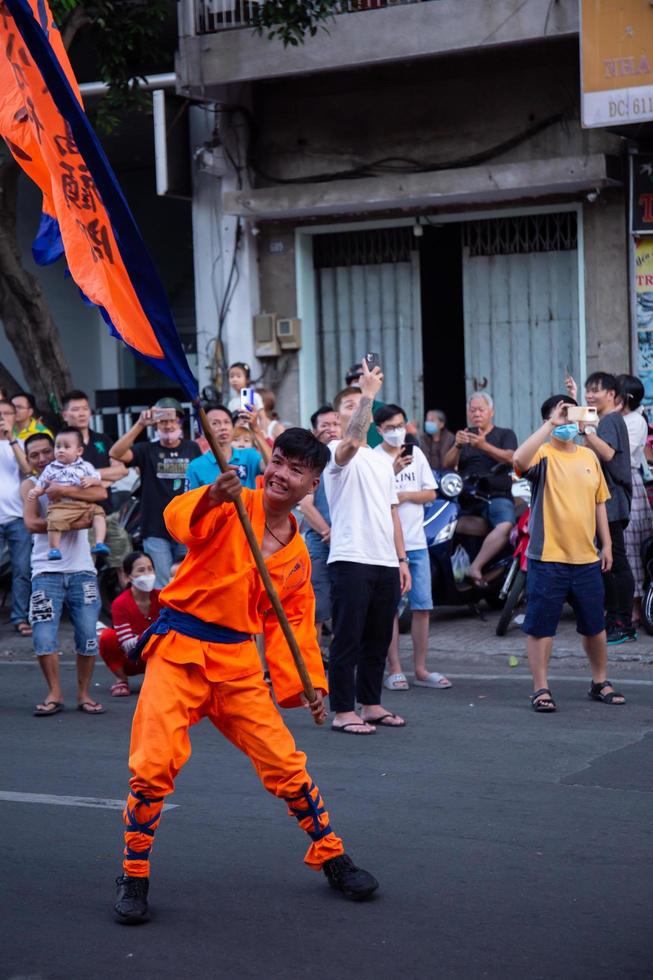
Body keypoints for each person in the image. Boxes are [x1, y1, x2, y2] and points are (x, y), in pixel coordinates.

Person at [112, 429, 379, 924]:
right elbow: (180, 522)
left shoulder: (297, 557)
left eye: (296, 470)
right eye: (278, 461)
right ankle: (134, 873)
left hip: (237, 666)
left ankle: (331, 855)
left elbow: (293, 623)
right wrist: (213, 495)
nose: (281, 473)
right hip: (179, 653)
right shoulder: (234, 502)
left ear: (311, 485)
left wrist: (309, 686)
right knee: (152, 765)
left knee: (286, 763)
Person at [513, 394, 624, 712]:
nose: (565, 421)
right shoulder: (542, 455)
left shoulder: (589, 457)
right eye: (558, 415)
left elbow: (600, 502)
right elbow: (518, 462)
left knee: (595, 625)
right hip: (547, 558)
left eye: (569, 414)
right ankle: (540, 688)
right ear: (548, 420)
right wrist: (551, 424)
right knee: (540, 626)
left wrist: (606, 544)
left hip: (586, 559)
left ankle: (600, 681)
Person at [324, 366, 411, 735]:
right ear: (338, 415)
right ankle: (343, 710)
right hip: (350, 557)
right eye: (349, 404)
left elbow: (392, 511)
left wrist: (402, 559)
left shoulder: (380, 460)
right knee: (348, 636)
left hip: (385, 560)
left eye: (360, 404)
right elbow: (351, 441)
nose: (357, 407)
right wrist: (368, 394)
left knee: (378, 636)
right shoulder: (334, 451)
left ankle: (370, 703)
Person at [21, 432, 107, 716]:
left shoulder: (79, 473)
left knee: (87, 635)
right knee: (43, 636)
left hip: (83, 570)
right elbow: (32, 524)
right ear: (29, 461)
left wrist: (63, 491)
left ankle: (84, 694)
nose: (43, 458)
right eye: (35, 455)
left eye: (47, 451)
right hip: (45, 571)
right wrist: (73, 522)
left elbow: (101, 494)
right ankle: (54, 692)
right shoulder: (31, 484)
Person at [374, 404, 451, 691]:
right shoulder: (374, 458)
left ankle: (420, 668)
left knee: (422, 606)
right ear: (379, 429)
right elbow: (373, 498)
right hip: (387, 545)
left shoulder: (415, 453)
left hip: (417, 542)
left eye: (400, 425)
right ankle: (394, 668)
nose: (397, 432)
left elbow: (431, 492)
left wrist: (405, 494)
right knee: (390, 608)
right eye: (390, 427)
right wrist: (391, 478)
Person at [109, 398, 201, 588]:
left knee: (188, 581)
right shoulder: (146, 449)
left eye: (172, 420)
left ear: (180, 422)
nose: (168, 425)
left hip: (186, 526)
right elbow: (116, 453)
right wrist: (140, 424)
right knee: (161, 585)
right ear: (155, 424)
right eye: (162, 420)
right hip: (155, 528)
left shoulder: (192, 448)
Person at [578, 372, 634, 644]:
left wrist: (586, 432)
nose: (590, 395)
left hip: (611, 501)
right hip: (609, 500)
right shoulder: (608, 419)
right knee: (612, 562)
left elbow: (609, 454)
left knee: (616, 563)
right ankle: (618, 619)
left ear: (611, 395)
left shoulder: (611, 420)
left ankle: (621, 622)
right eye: (588, 390)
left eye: (595, 391)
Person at [443, 392, 517, 586]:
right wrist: (457, 446)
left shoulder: (504, 434)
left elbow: (512, 458)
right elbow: (447, 465)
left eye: (481, 410)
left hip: (497, 495)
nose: (476, 413)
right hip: (468, 497)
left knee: (505, 526)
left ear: (491, 412)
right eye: (472, 410)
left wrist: (484, 446)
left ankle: (476, 567)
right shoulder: (465, 436)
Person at [27, 426, 109, 561]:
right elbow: (41, 484)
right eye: (58, 447)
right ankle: (54, 549)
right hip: (61, 507)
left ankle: (99, 542)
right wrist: (35, 491)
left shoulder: (86, 466)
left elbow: (100, 485)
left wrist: (91, 480)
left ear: (79, 451)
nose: (61, 450)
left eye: (66, 447)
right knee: (54, 520)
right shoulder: (51, 468)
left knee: (98, 512)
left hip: (82, 506)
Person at [300, 405, 341, 646]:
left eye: (335, 424)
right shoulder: (311, 462)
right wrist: (328, 532)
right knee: (318, 605)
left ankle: (342, 659)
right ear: (315, 431)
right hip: (320, 540)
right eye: (324, 426)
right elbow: (305, 504)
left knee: (346, 605)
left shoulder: (351, 458)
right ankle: (313, 662)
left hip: (347, 540)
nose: (331, 430)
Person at [616, 374, 653, 628]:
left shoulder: (635, 421)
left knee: (632, 547)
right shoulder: (618, 419)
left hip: (628, 484)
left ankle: (636, 607)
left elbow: (620, 454)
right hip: (615, 483)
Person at [99, 552, 161, 696]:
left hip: (157, 658)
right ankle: (121, 679)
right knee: (107, 637)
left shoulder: (163, 598)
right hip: (130, 659)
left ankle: (160, 678)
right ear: (128, 577)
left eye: (150, 569)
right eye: (141, 570)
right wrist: (152, 633)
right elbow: (127, 645)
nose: (147, 574)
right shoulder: (120, 603)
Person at [60, 389, 128, 516]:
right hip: (76, 514)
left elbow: (122, 470)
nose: (82, 413)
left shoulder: (103, 439)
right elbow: (68, 479)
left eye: (85, 408)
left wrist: (94, 477)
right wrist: (106, 477)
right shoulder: (60, 444)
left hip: (106, 510)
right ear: (64, 415)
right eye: (75, 409)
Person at [0, 399, 33, 636]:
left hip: (17, 517)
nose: (2, 417)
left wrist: (11, 439)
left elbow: (28, 470)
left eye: (6, 413)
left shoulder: (21, 443)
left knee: (22, 569)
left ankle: (20, 617)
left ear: (15, 417)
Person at [185, 404, 267, 491]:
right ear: (203, 431)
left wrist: (256, 429)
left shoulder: (250, 455)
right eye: (215, 423)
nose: (223, 427)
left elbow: (271, 466)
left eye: (227, 422)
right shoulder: (195, 466)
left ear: (233, 427)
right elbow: (191, 501)